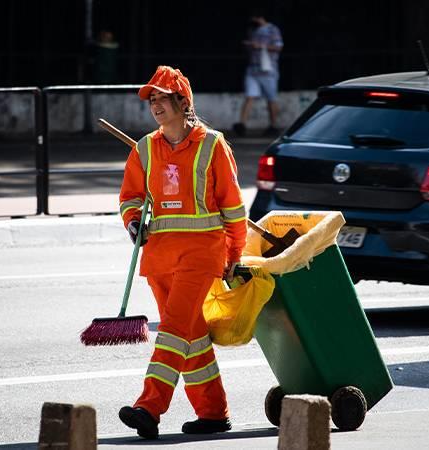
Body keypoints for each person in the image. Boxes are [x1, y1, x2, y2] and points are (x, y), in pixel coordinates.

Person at [117, 65, 247, 440]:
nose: (155, 105)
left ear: (182, 101)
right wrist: (132, 223)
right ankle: (212, 413)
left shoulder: (212, 144)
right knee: (190, 334)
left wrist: (233, 254)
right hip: (158, 257)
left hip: (201, 256)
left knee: (173, 331)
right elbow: (130, 197)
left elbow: (233, 207)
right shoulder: (145, 148)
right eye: (151, 99)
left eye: (162, 98)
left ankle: (149, 407)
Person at [233, 9, 284, 137]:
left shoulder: (272, 29)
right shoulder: (253, 31)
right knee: (249, 96)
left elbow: (278, 46)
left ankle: (273, 125)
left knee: (271, 99)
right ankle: (242, 124)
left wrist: (261, 46)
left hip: (268, 70)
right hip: (253, 69)